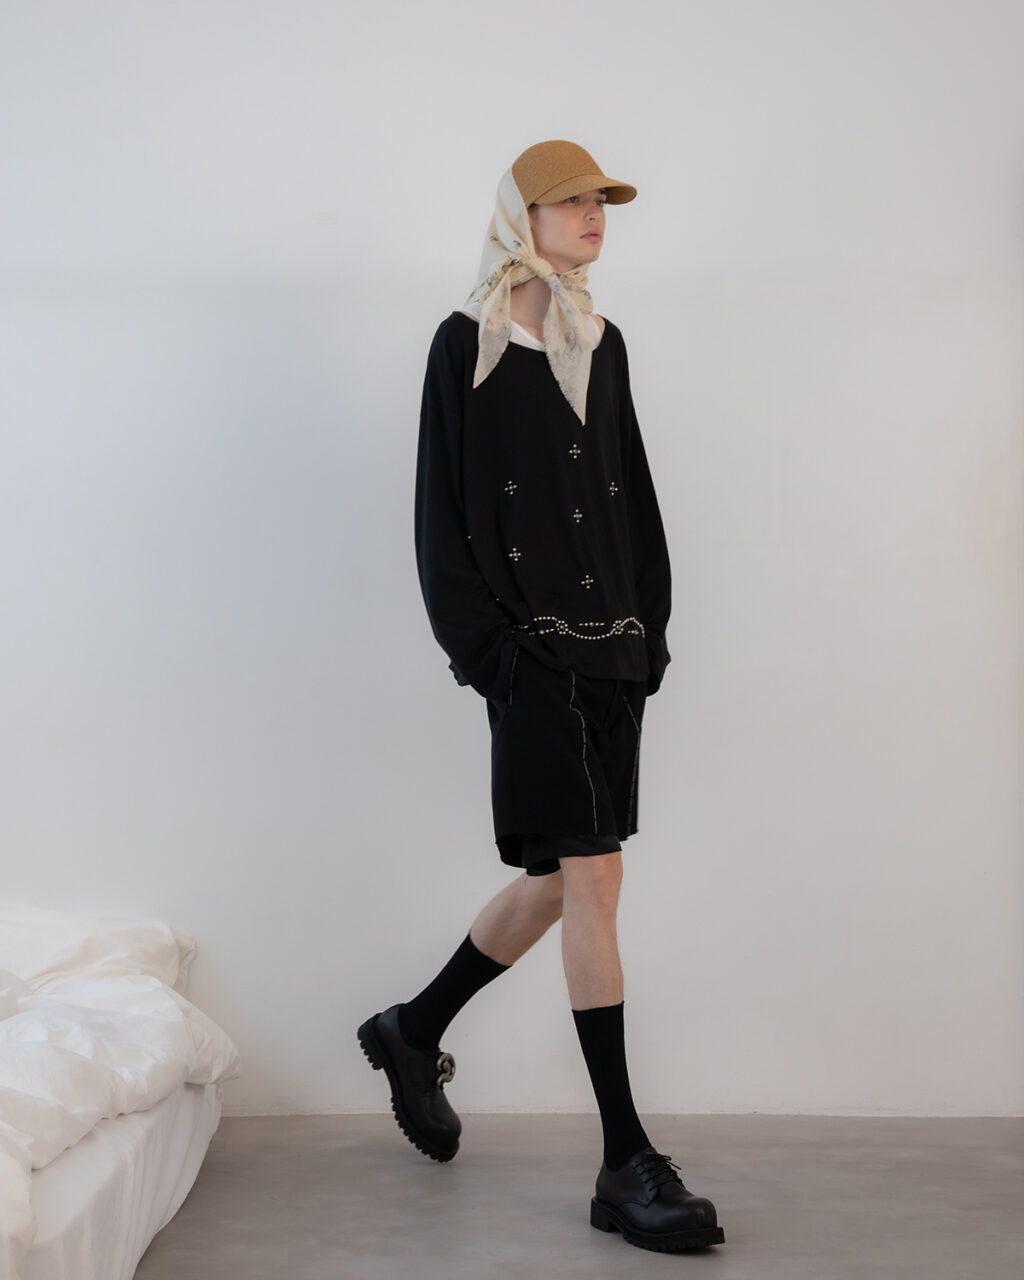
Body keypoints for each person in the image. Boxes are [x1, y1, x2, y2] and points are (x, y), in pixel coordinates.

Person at [358, 140, 725, 1253]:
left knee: (560, 878)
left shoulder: (601, 342)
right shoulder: (462, 348)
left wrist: (652, 632)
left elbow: (632, 498)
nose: (593, 215)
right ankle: (625, 1160)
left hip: (616, 654)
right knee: (597, 876)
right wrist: (493, 657)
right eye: (571, 201)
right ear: (522, 215)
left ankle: (413, 1027)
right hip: (530, 657)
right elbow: (440, 517)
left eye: (601, 200)